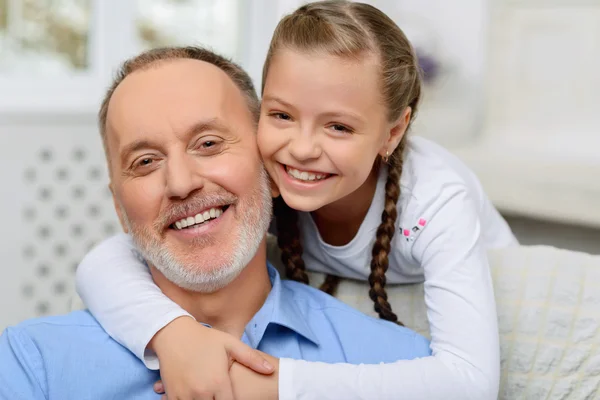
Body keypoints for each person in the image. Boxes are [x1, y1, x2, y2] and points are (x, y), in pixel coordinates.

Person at [76, 1, 518, 399]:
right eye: (282, 115)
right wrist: (172, 335)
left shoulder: (436, 202)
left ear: (393, 132)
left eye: (338, 127)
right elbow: (107, 260)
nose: (302, 148)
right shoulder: (270, 177)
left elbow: (471, 382)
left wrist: (275, 384)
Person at [0, 46, 432, 400]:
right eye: (145, 161)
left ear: (272, 168)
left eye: (208, 144)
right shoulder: (33, 365)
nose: (181, 183)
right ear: (120, 209)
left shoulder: (398, 367)